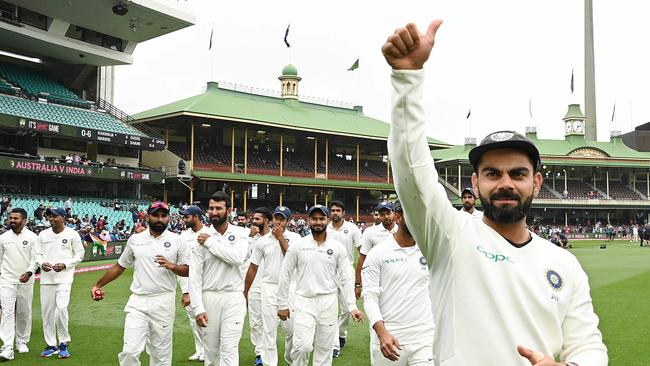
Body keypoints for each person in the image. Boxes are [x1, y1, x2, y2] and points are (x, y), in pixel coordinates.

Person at [383, 20, 607, 365]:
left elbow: (588, 345)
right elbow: (412, 170)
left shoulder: (565, 264)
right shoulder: (450, 237)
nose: (505, 182)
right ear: (474, 184)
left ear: (536, 182)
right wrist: (407, 79)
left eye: (518, 173)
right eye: (492, 173)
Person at [91, 201, 188, 365]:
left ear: (168, 218)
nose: (159, 219)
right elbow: (119, 266)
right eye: (155, 215)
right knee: (129, 351)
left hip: (163, 300)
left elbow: (187, 270)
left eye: (163, 216)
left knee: (161, 355)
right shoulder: (135, 239)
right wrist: (98, 285)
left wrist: (172, 266)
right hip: (138, 300)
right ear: (148, 217)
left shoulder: (177, 241)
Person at [276, 204, 364, 366]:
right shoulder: (298, 246)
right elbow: (285, 275)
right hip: (304, 301)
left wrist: (352, 306)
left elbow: (345, 278)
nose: (318, 222)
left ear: (327, 220)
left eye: (321, 219)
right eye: (314, 219)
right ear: (308, 220)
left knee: (324, 350)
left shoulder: (337, 248)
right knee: (301, 347)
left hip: (328, 303)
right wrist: (282, 304)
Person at [362, 202, 434, 365]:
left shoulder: (428, 250)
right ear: (399, 217)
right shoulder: (378, 253)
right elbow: (370, 297)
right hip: (391, 337)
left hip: (424, 336)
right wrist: (382, 333)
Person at [190, 192, 250, 366]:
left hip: (234, 296)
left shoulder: (241, 234)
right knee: (211, 352)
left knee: (229, 348)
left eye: (218, 208)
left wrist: (210, 243)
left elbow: (237, 258)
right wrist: (198, 308)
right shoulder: (200, 237)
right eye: (211, 208)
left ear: (229, 210)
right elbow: (194, 277)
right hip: (209, 297)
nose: (214, 212)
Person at [244, 206, 301, 366]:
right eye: (276, 218)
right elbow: (253, 267)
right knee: (268, 329)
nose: (278, 222)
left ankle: (291, 360)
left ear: (288, 221)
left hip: (290, 287)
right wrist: (245, 292)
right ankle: (269, 363)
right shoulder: (262, 241)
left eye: (282, 219)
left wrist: (281, 238)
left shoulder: (296, 239)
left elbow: (293, 260)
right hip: (269, 287)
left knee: (292, 330)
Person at [34, 207, 85, 358]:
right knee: (47, 313)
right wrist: (42, 263)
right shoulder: (43, 234)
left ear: (63, 217)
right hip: (47, 279)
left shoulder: (72, 234)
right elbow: (37, 254)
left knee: (61, 309)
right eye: (49, 216)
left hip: (64, 278)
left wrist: (65, 265)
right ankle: (50, 344)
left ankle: (64, 342)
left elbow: (80, 254)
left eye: (55, 216)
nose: (52, 219)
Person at [0, 208, 38, 361]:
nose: (12, 221)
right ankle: (7, 346)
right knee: (7, 312)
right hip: (7, 279)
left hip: (26, 279)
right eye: (10, 218)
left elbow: (35, 259)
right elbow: (0, 259)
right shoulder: (3, 237)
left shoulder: (33, 237)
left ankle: (22, 340)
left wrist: (29, 272)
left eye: (16, 218)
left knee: (24, 311)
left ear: (24, 220)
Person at [326, 200, 362, 358]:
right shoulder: (325, 228)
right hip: (328, 270)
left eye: (338, 210)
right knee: (331, 307)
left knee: (348, 308)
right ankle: (334, 346)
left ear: (344, 213)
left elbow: (362, 251)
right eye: (332, 210)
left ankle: (341, 333)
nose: (335, 213)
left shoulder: (352, 228)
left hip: (347, 269)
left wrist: (359, 280)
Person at [179, 205, 215, 362]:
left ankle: (208, 351)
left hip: (207, 283)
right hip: (189, 283)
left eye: (187, 216)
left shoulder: (209, 233)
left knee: (207, 319)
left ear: (196, 216)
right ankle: (199, 350)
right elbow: (181, 264)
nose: (184, 219)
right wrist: (185, 291)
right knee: (193, 320)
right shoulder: (183, 235)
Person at [245, 207, 273, 366]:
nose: (254, 222)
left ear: (267, 221)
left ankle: (270, 350)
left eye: (257, 219)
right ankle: (259, 354)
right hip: (254, 285)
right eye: (253, 218)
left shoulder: (274, 238)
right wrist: (250, 237)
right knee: (255, 322)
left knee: (270, 322)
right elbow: (242, 257)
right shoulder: (250, 238)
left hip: (271, 285)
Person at [355, 202, 397, 300]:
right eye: (382, 214)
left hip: (397, 278)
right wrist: (358, 284)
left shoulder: (401, 230)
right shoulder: (370, 232)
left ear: (394, 213)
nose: (386, 216)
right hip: (376, 278)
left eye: (388, 213)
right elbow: (362, 258)